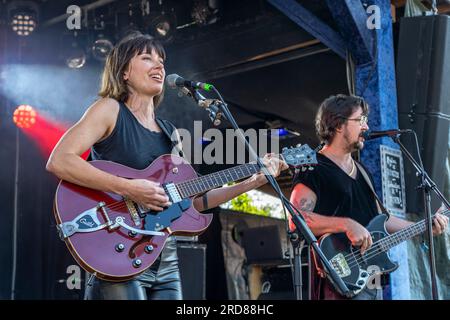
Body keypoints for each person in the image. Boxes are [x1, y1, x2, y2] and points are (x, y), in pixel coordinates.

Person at [46, 32, 287, 300]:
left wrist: (250, 182)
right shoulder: (109, 110)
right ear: (124, 71)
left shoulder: (170, 133)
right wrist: (129, 188)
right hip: (119, 251)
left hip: (165, 260)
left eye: (162, 60)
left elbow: (193, 203)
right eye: (147, 58)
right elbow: (59, 160)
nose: (159, 66)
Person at [289, 94, 448, 300]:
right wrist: (346, 224)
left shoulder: (362, 171)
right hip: (335, 279)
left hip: (367, 280)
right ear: (338, 125)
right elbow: (296, 220)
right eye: (360, 120)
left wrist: (423, 226)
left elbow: (382, 219)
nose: (366, 126)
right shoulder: (312, 167)